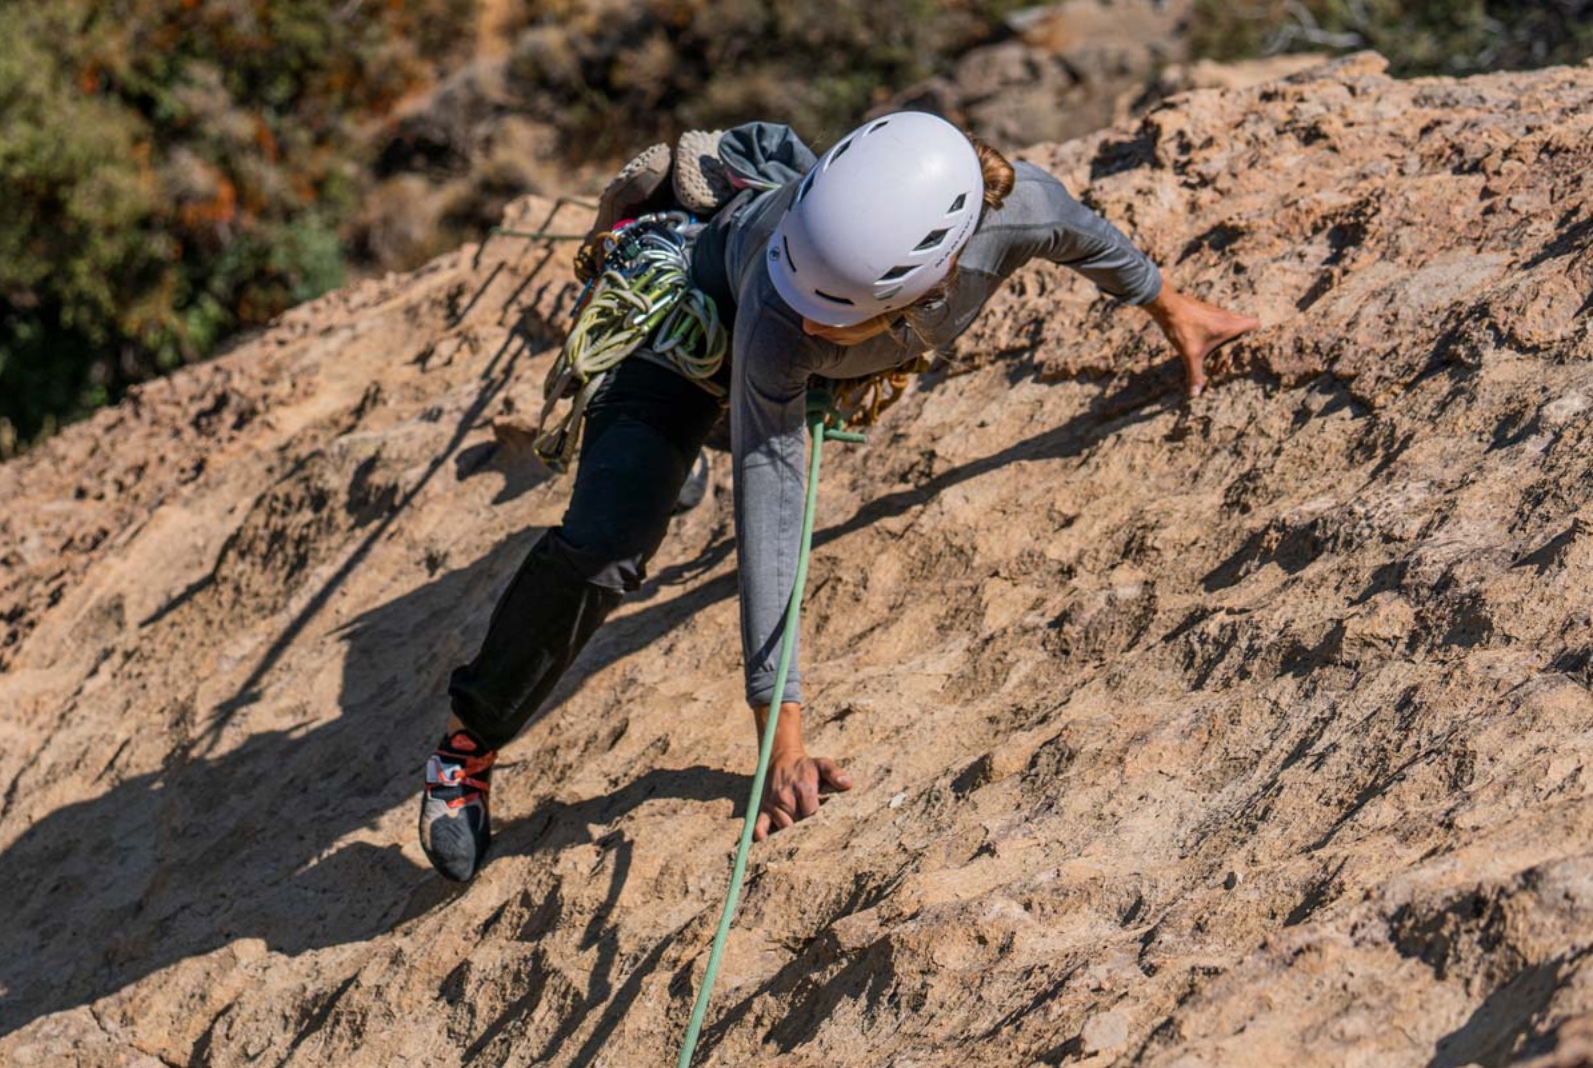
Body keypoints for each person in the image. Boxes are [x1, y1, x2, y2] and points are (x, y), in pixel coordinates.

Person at [418, 113, 1258, 882]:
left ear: (931, 282)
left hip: (773, 364)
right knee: (609, 543)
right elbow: (771, 511)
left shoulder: (1012, 211)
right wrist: (780, 739)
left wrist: (1171, 307)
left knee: (736, 428)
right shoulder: (783, 317)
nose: (810, 322)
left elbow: (1084, 236)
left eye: (835, 318)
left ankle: (682, 453)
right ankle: (467, 747)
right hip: (688, 341)